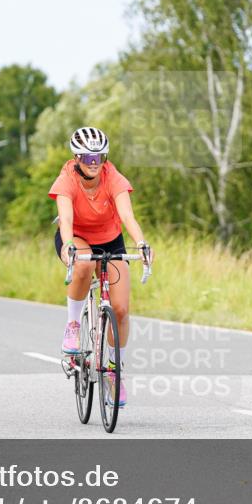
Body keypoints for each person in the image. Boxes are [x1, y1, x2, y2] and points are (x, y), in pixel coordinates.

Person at [49, 127, 153, 407]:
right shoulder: (66, 179)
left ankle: (113, 373)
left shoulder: (113, 177)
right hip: (77, 237)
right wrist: (69, 244)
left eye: (99, 157)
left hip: (110, 239)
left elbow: (127, 215)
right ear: (76, 157)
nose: (93, 163)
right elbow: (66, 221)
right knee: (83, 267)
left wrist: (141, 243)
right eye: (87, 157)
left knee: (120, 310)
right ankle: (72, 324)